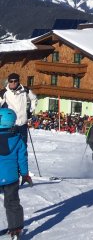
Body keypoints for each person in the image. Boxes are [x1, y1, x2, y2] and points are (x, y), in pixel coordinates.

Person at [0, 108, 30, 240]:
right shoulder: (18, 139)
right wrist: (25, 174)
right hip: (11, 178)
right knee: (12, 203)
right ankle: (16, 229)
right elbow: (22, 159)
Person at [0, 73, 36, 146]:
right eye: (11, 81)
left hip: (23, 123)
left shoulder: (25, 90)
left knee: (23, 145)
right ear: (8, 81)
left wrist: (30, 111)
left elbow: (34, 99)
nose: (13, 83)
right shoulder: (4, 92)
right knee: (11, 145)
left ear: (18, 81)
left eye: (15, 81)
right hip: (10, 124)